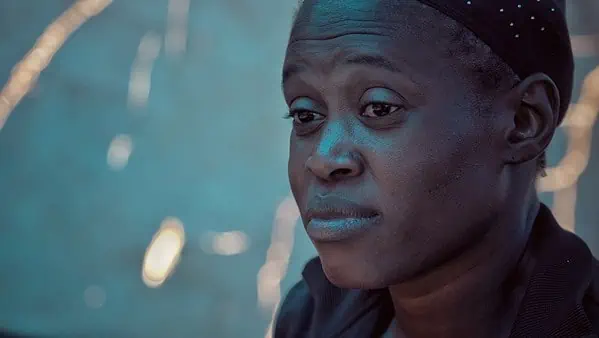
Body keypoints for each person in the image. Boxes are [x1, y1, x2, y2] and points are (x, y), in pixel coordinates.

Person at [275, 0, 599, 337]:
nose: (323, 159)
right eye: (305, 115)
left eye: (379, 107)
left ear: (523, 121)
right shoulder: (312, 316)